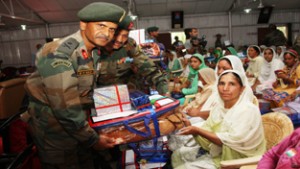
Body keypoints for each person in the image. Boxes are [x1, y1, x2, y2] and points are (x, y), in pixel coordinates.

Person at [24, 2, 126, 168]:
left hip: (78, 128)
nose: (107, 33)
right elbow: (64, 106)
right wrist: (93, 139)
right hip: (54, 131)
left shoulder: (92, 51)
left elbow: (84, 92)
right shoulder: (59, 53)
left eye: (112, 29)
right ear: (83, 24)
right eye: (101, 26)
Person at [171, 70, 266, 169]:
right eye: (221, 83)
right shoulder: (219, 109)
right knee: (177, 155)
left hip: (239, 159)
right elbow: (207, 138)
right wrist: (190, 126)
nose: (225, 88)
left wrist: (197, 130)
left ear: (242, 89)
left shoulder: (248, 110)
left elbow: (230, 141)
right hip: (219, 152)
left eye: (232, 84)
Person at [98, 16, 168, 95]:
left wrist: (164, 89)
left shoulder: (129, 44)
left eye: (125, 36)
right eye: (116, 34)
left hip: (127, 95)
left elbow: (148, 68)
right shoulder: (95, 47)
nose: (120, 40)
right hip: (101, 96)